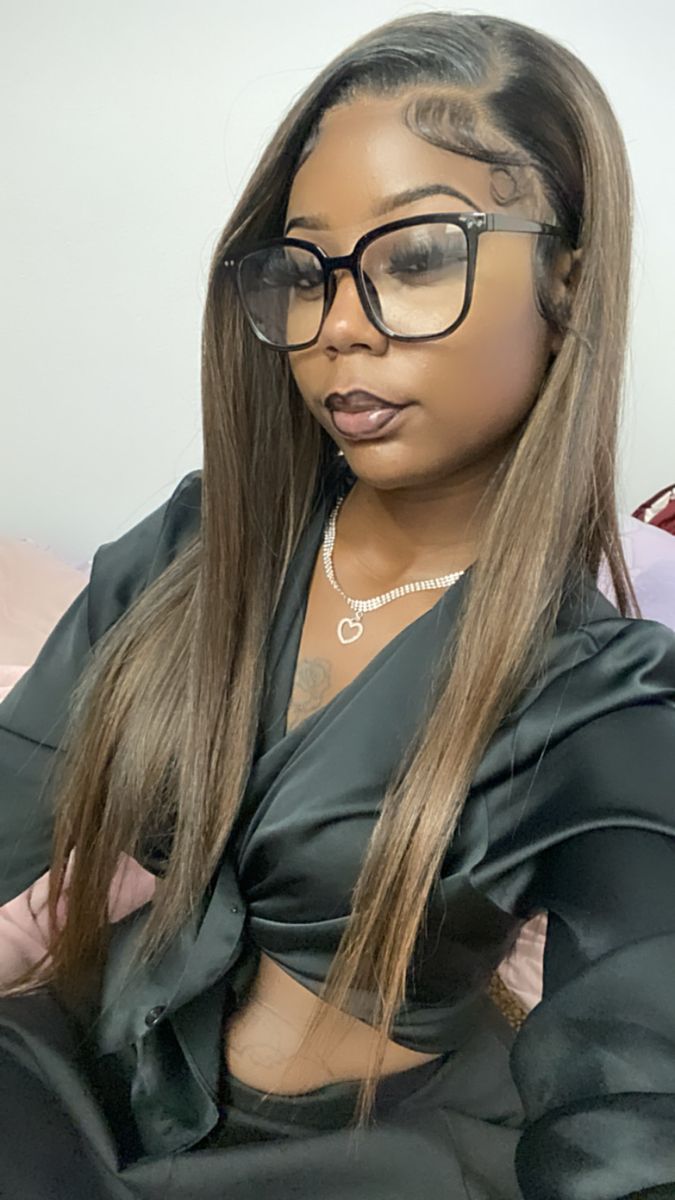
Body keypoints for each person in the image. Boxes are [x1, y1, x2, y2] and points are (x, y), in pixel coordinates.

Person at [1, 10, 674, 1200]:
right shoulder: (199, 544)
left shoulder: (601, 697)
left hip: (342, 1160)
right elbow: (16, 791)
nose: (339, 327)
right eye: (303, 271)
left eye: (416, 258)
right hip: (78, 1079)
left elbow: (635, 1099)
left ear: (566, 279)